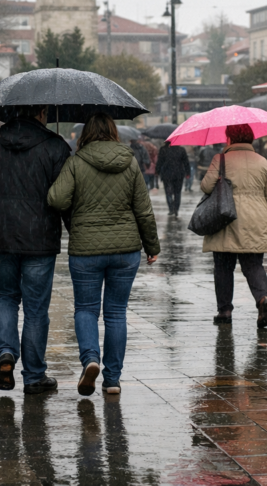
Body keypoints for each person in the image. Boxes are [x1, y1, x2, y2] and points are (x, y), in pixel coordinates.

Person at [48, 113, 160, 396]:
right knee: (116, 313)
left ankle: (90, 359)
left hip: (86, 249)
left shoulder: (75, 163)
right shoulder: (131, 163)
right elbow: (144, 210)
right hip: (125, 251)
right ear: (113, 132)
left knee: (86, 309)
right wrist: (152, 247)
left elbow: (57, 199)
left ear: (85, 134)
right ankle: (112, 379)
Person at [0, 105, 71, 395]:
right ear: (41, 113)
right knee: (36, 309)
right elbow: (66, 196)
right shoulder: (55, 146)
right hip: (40, 237)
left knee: (5, 297)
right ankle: (34, 376)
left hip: (0, 236)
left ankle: (6, 353)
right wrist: (78, 234)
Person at [202, 124, 267, 328]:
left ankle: (225, 311)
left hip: (225, 219)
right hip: (256, 219)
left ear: (229, 138)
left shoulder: (220, 159)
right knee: (253, 265)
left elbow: (206, 186)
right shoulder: (262, 161)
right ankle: (263, 299)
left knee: (223, 267)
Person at [156, 139, 190, 216]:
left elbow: (160, 161)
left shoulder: (163, 150)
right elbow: (186, 162)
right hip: (179, 174)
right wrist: (188, 172)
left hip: (167, 174)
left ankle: (171, 208)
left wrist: (157, 171)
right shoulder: (181, 150)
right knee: (177, 192)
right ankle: (176, 209)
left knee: (168, 192)